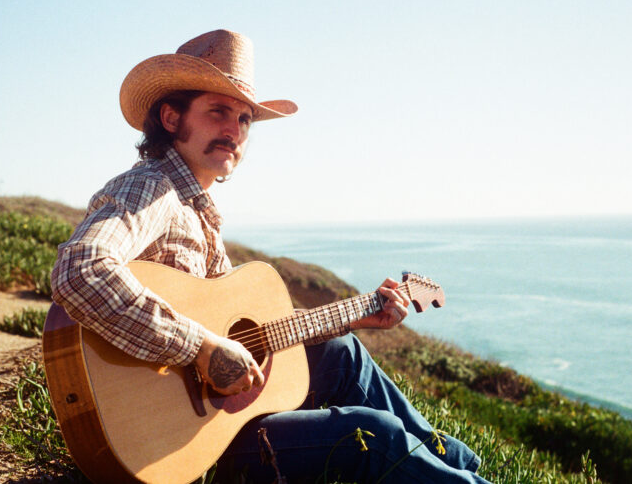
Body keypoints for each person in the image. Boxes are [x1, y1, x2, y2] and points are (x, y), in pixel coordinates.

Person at [51, 29, 490, 484]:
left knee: (342, 353)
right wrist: (201, 349)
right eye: (218, 111)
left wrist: (356, 315)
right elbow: (80, 270)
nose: (234, 130)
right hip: (181, 447)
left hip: (214, 422)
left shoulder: (196, 210)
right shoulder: (151, 188)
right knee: (373, 435)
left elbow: (249, 332)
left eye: (244, 119)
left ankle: (457, 465)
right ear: (170, 117)